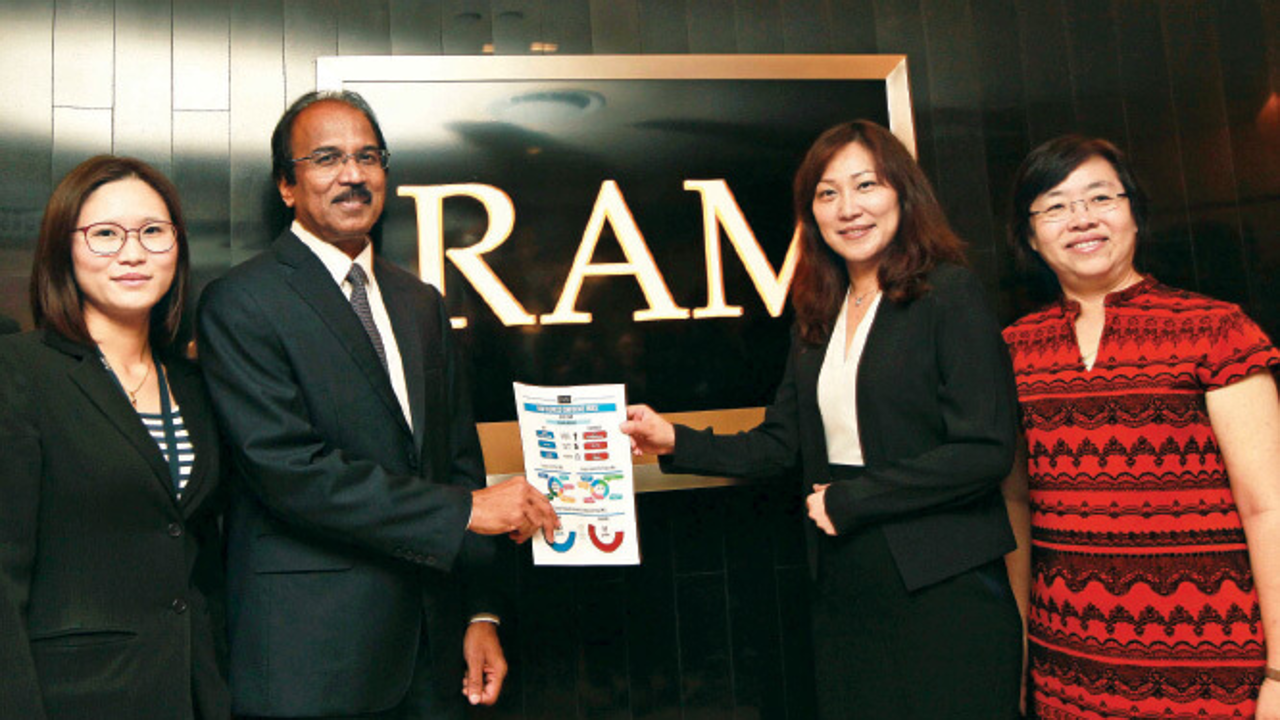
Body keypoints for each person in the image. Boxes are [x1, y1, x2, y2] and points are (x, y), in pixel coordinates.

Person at [622, 120, 1023, 719]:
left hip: (945, 581)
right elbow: (782, 444)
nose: (849, 208)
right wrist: (672, 438)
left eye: (867, 185)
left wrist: (854, 499)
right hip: (844, 580)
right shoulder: (819, 311)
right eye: (827, 193)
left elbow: (984, 450)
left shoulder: (949, 293)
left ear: (903, 195)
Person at [196, 90, 558, 720]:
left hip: (431, 647)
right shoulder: (241, 302)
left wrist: (479, 611)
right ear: (287, 185)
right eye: (327, 158)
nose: (353, 175)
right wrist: (464, 511)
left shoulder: (419, 302)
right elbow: (290, 472)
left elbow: (456, 459)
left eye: (369, 157)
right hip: (312, 657)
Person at [1003, 135, 1280, 719]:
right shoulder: (1010, 350)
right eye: (1055, 205)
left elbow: (1268, 507)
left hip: (1214, 663)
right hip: (1067, 668)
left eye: (1101, 197)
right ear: (1030, 236)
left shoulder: (1215, 329)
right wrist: (1023, 653)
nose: (1081, 218)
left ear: (1134, 214)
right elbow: (1015, 505)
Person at [0, 155, 229, 719]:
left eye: (154, 232)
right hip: (72, 696)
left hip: (189, 690)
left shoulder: (196, 386)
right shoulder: (19, 371)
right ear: (63, 249)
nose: (132, 253)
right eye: (105, 234)